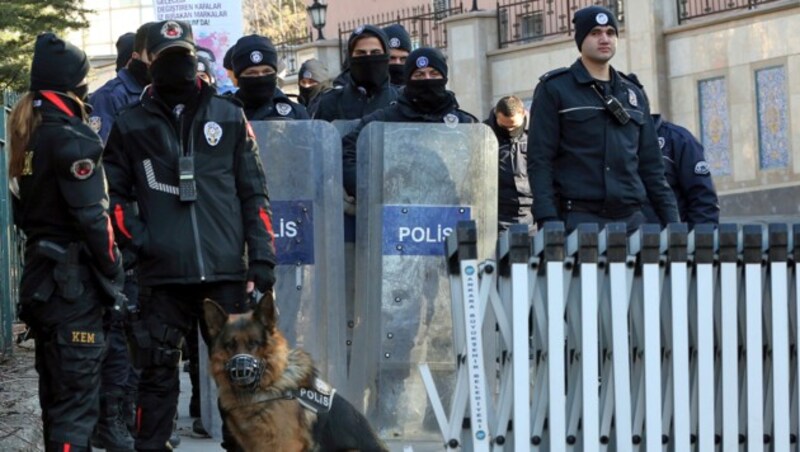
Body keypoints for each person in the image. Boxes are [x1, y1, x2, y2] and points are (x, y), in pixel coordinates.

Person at [102, 20, 277, 451]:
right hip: (161, 278)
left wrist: (262, 258)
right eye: (166, 57)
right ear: (148, 62)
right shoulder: (130, 123)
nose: (177, 65)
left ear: (195, 57)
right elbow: (113, 194)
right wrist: (139, 240)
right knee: (157, 380)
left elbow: (253, 190)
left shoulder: (228, 115)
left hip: (224, 275)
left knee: (241, 382)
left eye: (183, 54)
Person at [8, 32, 125, 452]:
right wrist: (115, 272)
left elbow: (22, 213)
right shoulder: (74, 139)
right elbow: (96, 220)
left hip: (41, 282)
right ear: (74, 86)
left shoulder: (28, 137)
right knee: (76, 409)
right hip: (73, 289)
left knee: (56, 402)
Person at [527, 6, 678, 233]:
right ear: (581, 39)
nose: (604, 39)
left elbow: (652, 166)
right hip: (579, 220)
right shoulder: (555, 89)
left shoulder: (633, 93)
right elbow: (540, 160)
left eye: (610, 32)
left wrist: (672, 221)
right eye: (595, 33)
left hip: (633, 221)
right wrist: (547, 219)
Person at [342, 47, 478, 196]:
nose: (427, 79)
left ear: (444, 77)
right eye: (419, 75)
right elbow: (347, 151)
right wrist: (369, 190)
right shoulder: (384, 120)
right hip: (397, 210)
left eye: (434, 74)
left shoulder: (464, 124)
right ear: (408, 79)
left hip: (451, 210)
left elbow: (481, 166)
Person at [642, 114, 720, 226]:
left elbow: (704, 202)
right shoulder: (611, 143)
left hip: (671, 239)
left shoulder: (678, 139)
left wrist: (696, 241)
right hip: (618, 238)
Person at [312, 24, 399, 121]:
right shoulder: (330, 102)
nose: (368, 58)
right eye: (361, 53)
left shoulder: (400, 101)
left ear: (386, 56)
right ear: (350, 57)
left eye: (376, 53)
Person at [89, 23, 152, 143]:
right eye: (150, 56)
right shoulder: (108, 96)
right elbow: (101, 148)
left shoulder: (152, 91)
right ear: (133, 58)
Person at [485, 95, 534, 233]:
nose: (509, 130)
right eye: (504, 126)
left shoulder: (537, 132)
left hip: (533, 213)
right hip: (498, 214)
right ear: (496, 115)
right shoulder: (484, 134)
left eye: (514, 126)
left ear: (523, 114)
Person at [231, 34, 308, 120]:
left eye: (267, 71)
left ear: (275, 73)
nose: (260, 77)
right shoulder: (224, 112)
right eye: (251, 73)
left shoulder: (295, 113)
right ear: (238, 76)